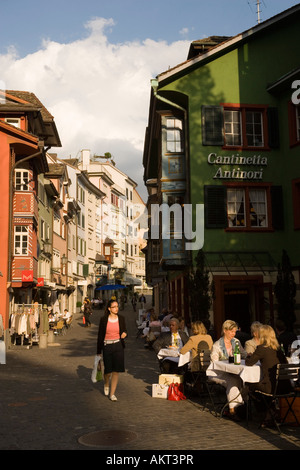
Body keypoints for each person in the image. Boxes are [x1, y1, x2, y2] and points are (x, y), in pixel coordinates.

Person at [245, 325, 291, 424]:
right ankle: (271, 410)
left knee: (250, 386)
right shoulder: (278, 349)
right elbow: (286, 364)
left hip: (271, 388)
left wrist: (249, 356)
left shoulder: (261, 348)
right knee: (262, 386)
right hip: (286, 386)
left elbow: (249, 363)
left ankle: (267, 412)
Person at [208, 320, 247, 421]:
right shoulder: (217, 345)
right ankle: (233, 409)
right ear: (225, 331)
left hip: (233, 372)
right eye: (231, 332)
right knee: (233, 381)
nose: (234, 334)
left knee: (242, 380)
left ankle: (240, 408)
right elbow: (215, 363)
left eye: (235, 331)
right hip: (218, 373)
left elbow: (243, 354)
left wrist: (249, 355)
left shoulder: (236, 342)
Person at [96, 299, 127, 401]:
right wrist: (98, 351)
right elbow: (100, 335)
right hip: (107, 346)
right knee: (108, 371)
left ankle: (112, 394)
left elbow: (125, 330)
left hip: (118, 346)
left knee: (116, 371)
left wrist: (124, 334)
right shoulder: (104, 319)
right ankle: (106, 383)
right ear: (109, 309)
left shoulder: (121, 318)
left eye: (117, 306)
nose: (116, 308)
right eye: (114, 307)